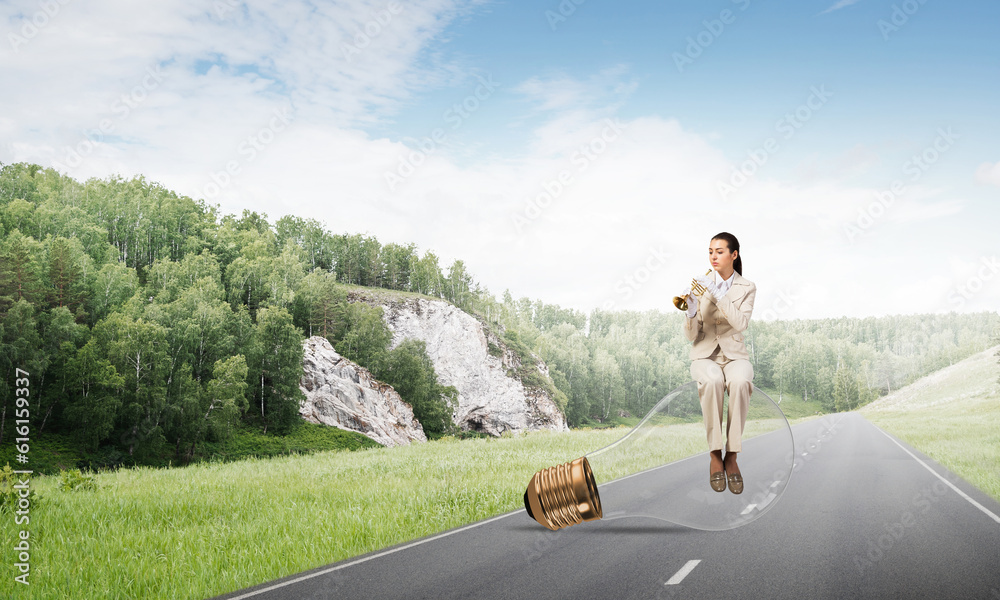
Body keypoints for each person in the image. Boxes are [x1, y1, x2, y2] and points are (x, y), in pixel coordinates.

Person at [680, 232, 756, 494]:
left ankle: (732, 456)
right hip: (705, 354)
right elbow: (692, 336)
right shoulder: (699, 285)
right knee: (712, 381)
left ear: (734, 255)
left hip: (735, 354)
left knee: (741, 380)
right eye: (710, 251)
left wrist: (716, 293)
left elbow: (741, 323)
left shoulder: (748, 287)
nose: (713, 256)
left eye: (720, 251)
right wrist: (691, 311)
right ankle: (715, 454)